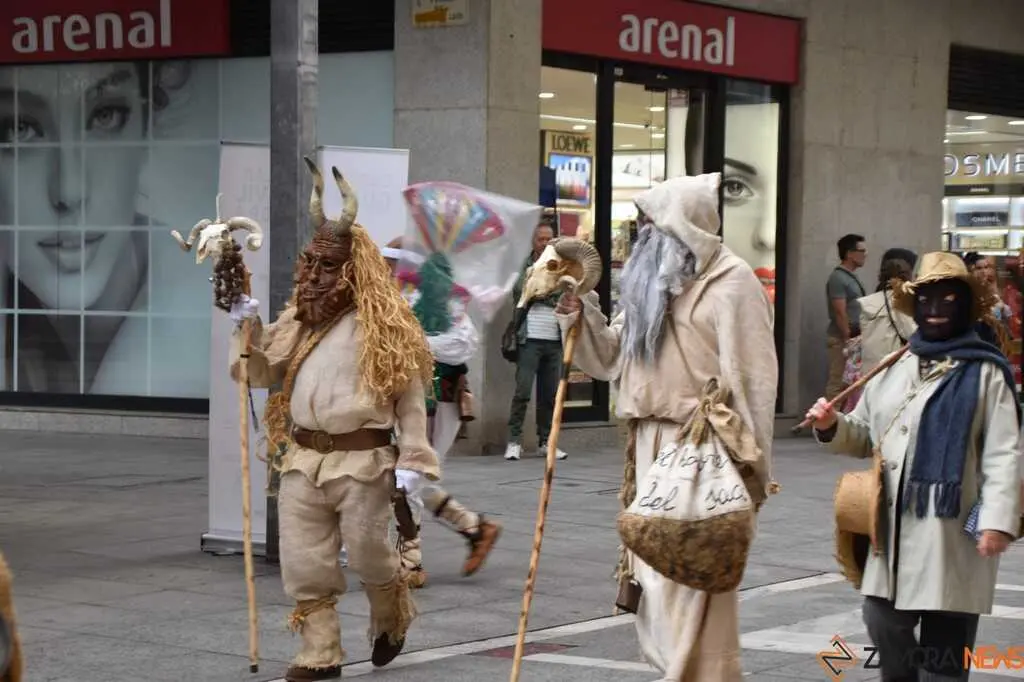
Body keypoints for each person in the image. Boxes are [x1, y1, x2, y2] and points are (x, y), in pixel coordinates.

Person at [556, 173, 778, 680]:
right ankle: (671, 669)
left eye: (651, 225)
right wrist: (579, 312)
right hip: (647, 444)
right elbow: (609, 359)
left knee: (691, 574)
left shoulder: (732, 279)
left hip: (702, 446)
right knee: (653, 575)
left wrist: (753, 467)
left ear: (684, 228)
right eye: (642, 226)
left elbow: (753, 380)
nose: (642, 237)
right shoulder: (650, 285)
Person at [226, 159, 439, 681]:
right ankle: (320, 653)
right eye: (310, 265)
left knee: (369, 556)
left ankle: (391, 613)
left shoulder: (386, 325)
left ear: (352, 269)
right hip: (302, 458)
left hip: (363, 460)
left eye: (327, 267)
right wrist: (245, 325)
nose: (314, 276)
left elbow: (411, 399)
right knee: (305, 563)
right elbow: (257, 373)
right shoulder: (297, 319)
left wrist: (413, 458)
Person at [805, 251, 1021, 682]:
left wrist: (997, 522)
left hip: (954, 531)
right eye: (927, 301)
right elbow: (866, 433)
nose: (936, 310)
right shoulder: (893, 365)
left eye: (948, 300)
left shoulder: (986, 373)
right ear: (915, 307)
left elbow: (1005, 454)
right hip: (892, 531)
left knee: (946, 646)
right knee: (882, 617)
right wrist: (832, 425)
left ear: (964, 305)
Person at [0, 60, 208, 396]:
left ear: (146, 126)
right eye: (17, 128)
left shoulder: (212, 316)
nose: (69, 190)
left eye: (105, 116)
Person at [381, 238, 502, 589]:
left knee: (410, 476)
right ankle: (474, 528)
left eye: (392, 266)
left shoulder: (440, 298)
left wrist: (412, 343)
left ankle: (410, 563)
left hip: (437, 400)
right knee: (403, 479)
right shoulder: (390, 300)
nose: (386, 273)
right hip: (399, 399)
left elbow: (463, 344)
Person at [504, 218, 569, 462]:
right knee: (522, 391)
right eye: (541, 239)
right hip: (529, 339)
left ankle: (546, 442)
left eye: (549, 240)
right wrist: (542, 291)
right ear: (533, 241)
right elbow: (521, 290)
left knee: (549, 395)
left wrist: (544, 294)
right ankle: (514, 441)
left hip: (554, 339)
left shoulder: (561, 266)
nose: (545, 243)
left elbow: (564, 292)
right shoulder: (528, 265)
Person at [857, 248, 918, 374]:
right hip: (890, 369)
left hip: (869, 369)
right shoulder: (901, 301)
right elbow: (912, 334)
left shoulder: (868, 301)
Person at [825, 234, 868, 400]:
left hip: (852, 338)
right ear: (849, 253)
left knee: (849, 384)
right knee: (837, 383)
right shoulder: (838, 278)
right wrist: (848, 339)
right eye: (861, 251)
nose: (865, 254)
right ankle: (828, 424)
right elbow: (839, 312)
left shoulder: (849, 277)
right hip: (842, 338)